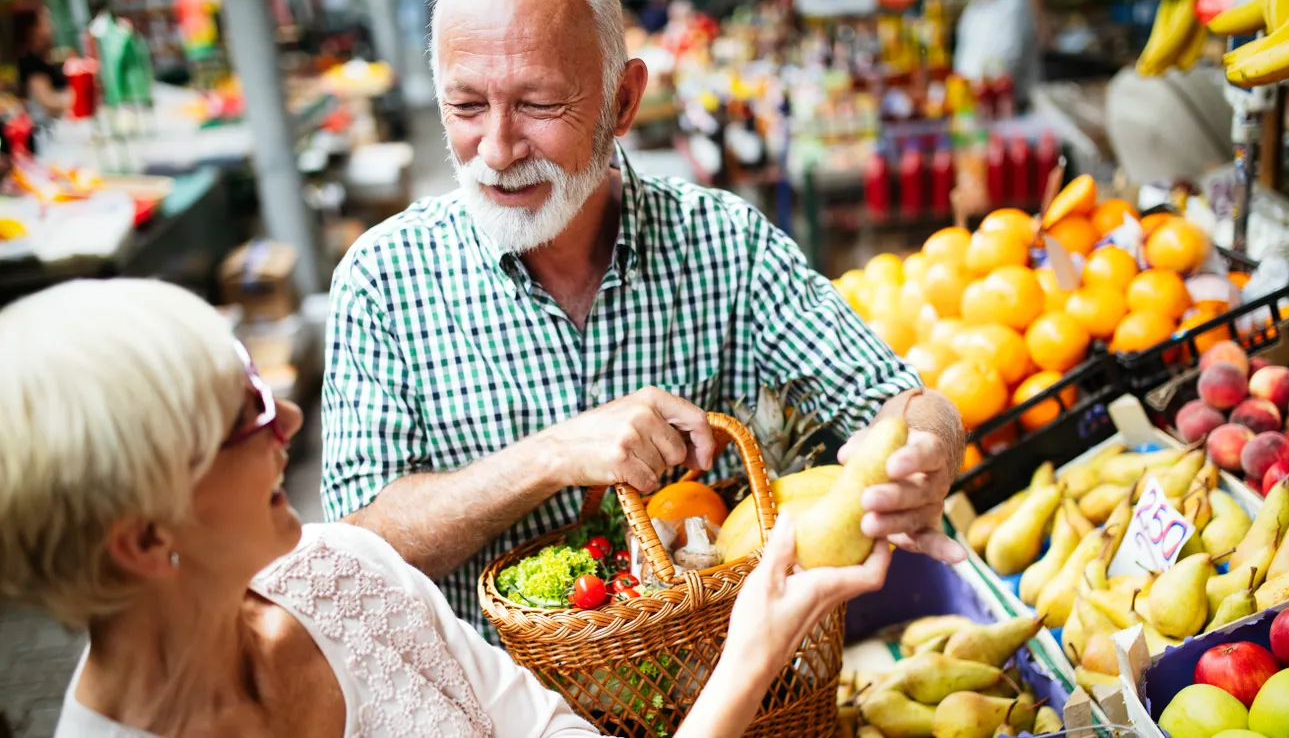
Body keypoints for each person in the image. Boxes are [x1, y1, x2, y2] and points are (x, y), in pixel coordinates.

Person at [322, 0, 968, 643]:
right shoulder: (384, 280)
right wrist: (548, 458)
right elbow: (355, 553)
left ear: (622, 100)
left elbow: (906, 403)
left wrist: (926, 456)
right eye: (463, 105)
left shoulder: (724, 244)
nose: (495, 149)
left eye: (539, 104)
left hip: (719, 697)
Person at [0, 278, 892, 738]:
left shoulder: (345, 575)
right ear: (147, 536)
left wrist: (748, 654)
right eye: (247, 417)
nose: (293, 421)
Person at [952, 0, 1043, 106]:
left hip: (1012, 108)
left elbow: (1007, 66)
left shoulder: (1013, 6)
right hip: (971, 104)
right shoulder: (973, 8)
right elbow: (962, 61)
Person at [14, 6, 73, 122]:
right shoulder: (30, 63)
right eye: (45, 23)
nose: (51, 28)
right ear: (32, 31)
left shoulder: (42, 58)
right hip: (50, 134)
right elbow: (48, 101)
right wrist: (80, 95)